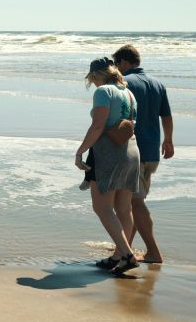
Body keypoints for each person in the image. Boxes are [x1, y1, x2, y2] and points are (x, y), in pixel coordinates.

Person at [75, 57, 141, 275]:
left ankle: (127, 254)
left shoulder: (103, 92)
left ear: (96, 75)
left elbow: (98, 126)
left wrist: (80, 150)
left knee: (102, 207)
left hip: (109, 154)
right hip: (131, 152)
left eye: (92, 78)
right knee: (124, 208)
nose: (92, 83)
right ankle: (118, 256)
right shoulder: (129, 93)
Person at [113, 44, 174, 264]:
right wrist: (168, 140)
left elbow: (120, 118)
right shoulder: (157, 84)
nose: (116, 70)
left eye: (116, 65)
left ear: (123, 63)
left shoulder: (125, 83)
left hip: (133, 151)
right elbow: (166, 116)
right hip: (153, 152)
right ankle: (123, 249)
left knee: (133, 203)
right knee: (134, 202)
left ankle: (153, 252)